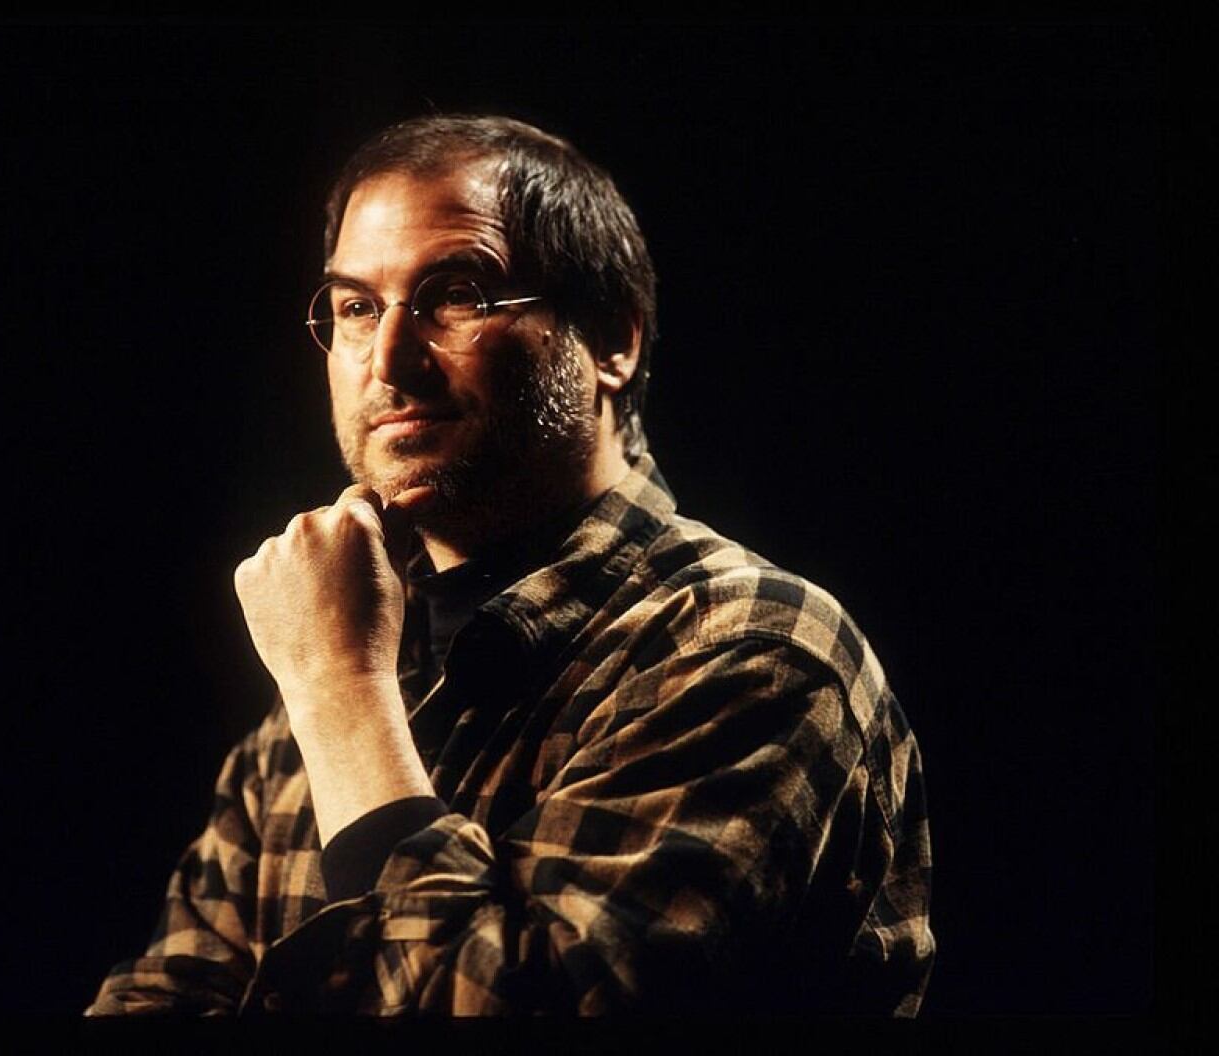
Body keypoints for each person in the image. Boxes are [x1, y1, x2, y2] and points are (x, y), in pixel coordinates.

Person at [86, 114, 933, 1016]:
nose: (388, 360)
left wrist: (339, 694)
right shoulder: (335, 683)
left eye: (455, 295)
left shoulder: (751, 650)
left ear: (612, 341)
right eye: (357, 307)